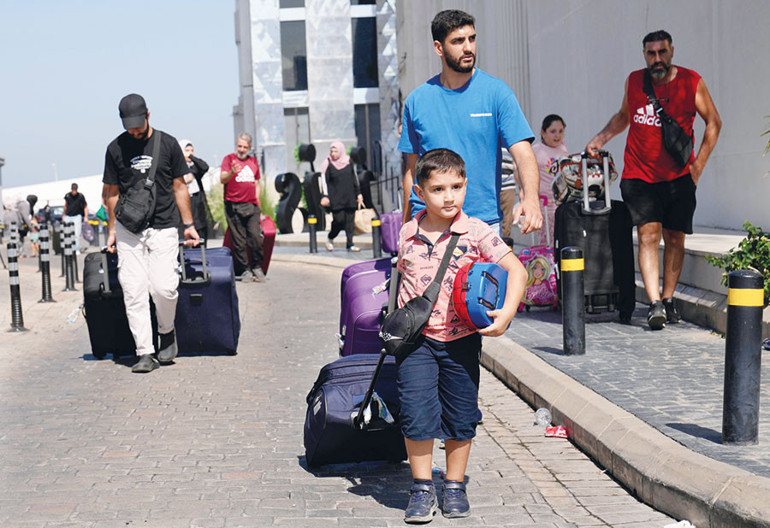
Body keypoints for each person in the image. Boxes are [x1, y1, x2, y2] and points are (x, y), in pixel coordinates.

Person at [395, 149, 527, 523]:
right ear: (420, 192)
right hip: (415, 342)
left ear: (466, 185)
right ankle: (421, 487)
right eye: (438, 189)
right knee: (416, 414)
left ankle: (454, 485)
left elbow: (517, 271)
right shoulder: (407, 232)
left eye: (456, 187)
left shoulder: (477, 232)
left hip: (461, 341)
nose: (449, 197)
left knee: (461, 415)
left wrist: (506, 314)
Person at [586, 30, 721, 330]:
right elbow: (624, 116)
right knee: (648, 234)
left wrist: (698, 166)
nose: (657, 58)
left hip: (678, 176)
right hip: (639, 175)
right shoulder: (635, 81)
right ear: (644, 55)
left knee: (675, 237)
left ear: (671, 51)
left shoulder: (691, 81)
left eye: (662, 52)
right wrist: (601, 138)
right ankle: (655, 302)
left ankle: (669, 298)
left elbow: (714, 122)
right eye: (651, 53)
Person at [399, 9, 542, 237]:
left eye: (472, 39)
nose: (468, 48)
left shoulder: (497, 93)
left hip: (482, 223)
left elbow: (523, 153)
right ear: (439, 48)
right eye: (458, 41)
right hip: (427, 224)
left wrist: (531, 199)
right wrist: (406, 226)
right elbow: (411, 170)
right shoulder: (417, 100)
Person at [102, 93, 200, 373]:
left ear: (148, 115)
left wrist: (189, 224)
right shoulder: (115, 148)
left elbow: (180, 186)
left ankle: (166, 331)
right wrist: (112, 230)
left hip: (164, 224)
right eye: (129, 127)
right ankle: (144, 351)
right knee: (133, 290)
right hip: (129, 229)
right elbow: (111, 193)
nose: (134, 132)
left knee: (163, 287)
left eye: (138, 125)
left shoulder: (167, 144)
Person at [220, 133, 265, 282]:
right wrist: (232, 172)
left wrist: (258, 205)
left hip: (251, 206)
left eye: (245, 147)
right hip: (233, 206)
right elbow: (222, 179)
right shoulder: (229, 159)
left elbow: (257, 183)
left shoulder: (253, 162)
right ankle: (245, 270)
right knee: (239, 241)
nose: (241, 149)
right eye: (239, 146)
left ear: (249, 147)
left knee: (256, 237)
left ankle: (257, 266)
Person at [319, 141, 364, 252]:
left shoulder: (348, 161)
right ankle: (331, 237)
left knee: (350, 222)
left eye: (336, 151)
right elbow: (324, 182)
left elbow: (354, 178)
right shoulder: (327, 163)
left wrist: (358, 193)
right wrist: (325, 196)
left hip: (349, 196)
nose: (333, 154)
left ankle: (350, 244)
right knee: (339, 220)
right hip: (336, 198)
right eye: (332, 151)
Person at [532, 114, 568, 246]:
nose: (557, 135)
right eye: (553, 131)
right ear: (543, 132)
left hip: (561, 202)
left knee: (561, 238)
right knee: (546, 240)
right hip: (544, 204)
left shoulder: (563, 149)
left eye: (561, 131)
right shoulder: (536, 150)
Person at [178, 139, 212, 243]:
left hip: (197, 207)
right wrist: (185, 181)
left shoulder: (195, 168)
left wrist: (191, 157)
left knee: (200, 239)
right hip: (183, 207)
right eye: (187, 150)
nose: (190, 152)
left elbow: (205, 167)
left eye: (192, 150)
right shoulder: (176, 168)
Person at [63, 183, 88, 254]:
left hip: (77, 216)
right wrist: (63, 215)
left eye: (75, 190)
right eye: (73, 190)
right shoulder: (67, 196)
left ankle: (77, 249)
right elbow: (65, 205)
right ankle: (68, 248)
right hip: (68, 216)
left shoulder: (80, 196)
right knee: (67, 233)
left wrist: (86, 217)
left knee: (77, 234)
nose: (74, 192)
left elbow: (85, 206)